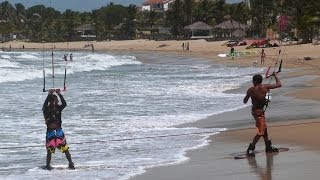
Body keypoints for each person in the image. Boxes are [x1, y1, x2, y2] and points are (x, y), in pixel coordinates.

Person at [243, 72, 282, 156]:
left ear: (255, 81)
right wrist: (275, 75)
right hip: (258, 113)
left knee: (263, 129)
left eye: (253, 81)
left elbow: (245, 101)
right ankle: (251, 148)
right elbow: (279, 84)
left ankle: (267, 147)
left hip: (256, 111)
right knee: (261, 131)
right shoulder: (265, 86)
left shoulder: (251, 90)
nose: (252, 82)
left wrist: (251, 97)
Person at [42, 89, 75, 170]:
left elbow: (64, 104)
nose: (57, 102)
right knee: (49, 150)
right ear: (51, 101)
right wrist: (49, 95)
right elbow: (44, 106)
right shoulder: (46, 109)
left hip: (59, 131)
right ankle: (48, 165)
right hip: (50, 132)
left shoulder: (58, 109)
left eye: (57, 100)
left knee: (65, 149)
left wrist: (59, 94)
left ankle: (71, 163)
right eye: (56, 100)